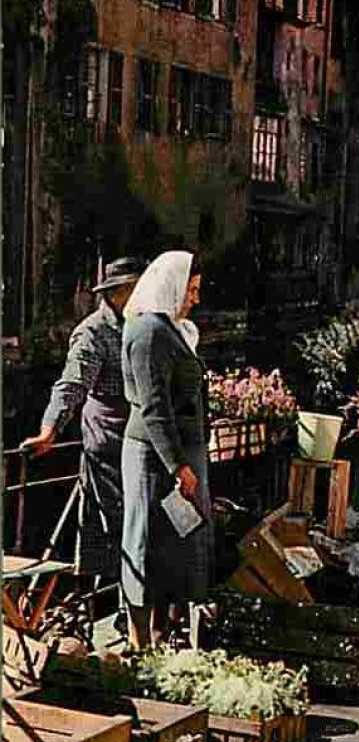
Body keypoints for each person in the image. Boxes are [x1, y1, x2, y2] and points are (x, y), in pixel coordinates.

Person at [22, 256, 146, 579]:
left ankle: (128, 598)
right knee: (114, 521)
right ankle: (109, 596)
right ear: (121, 292)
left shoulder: (141, 323)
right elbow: (72, 384)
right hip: (108, 435)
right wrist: (50, 430)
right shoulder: (93, 331)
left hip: (138, 431)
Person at [120, 251, 213, 650]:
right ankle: (141, 640)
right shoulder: (148, 332)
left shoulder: (170, 329)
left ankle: (162, 633)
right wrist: (177, 465)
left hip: (176, 456)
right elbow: (153, 404)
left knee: (175, 542)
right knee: (144, 542)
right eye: (190, 290)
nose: (194, 298)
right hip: (153, 458)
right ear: (171, 285)